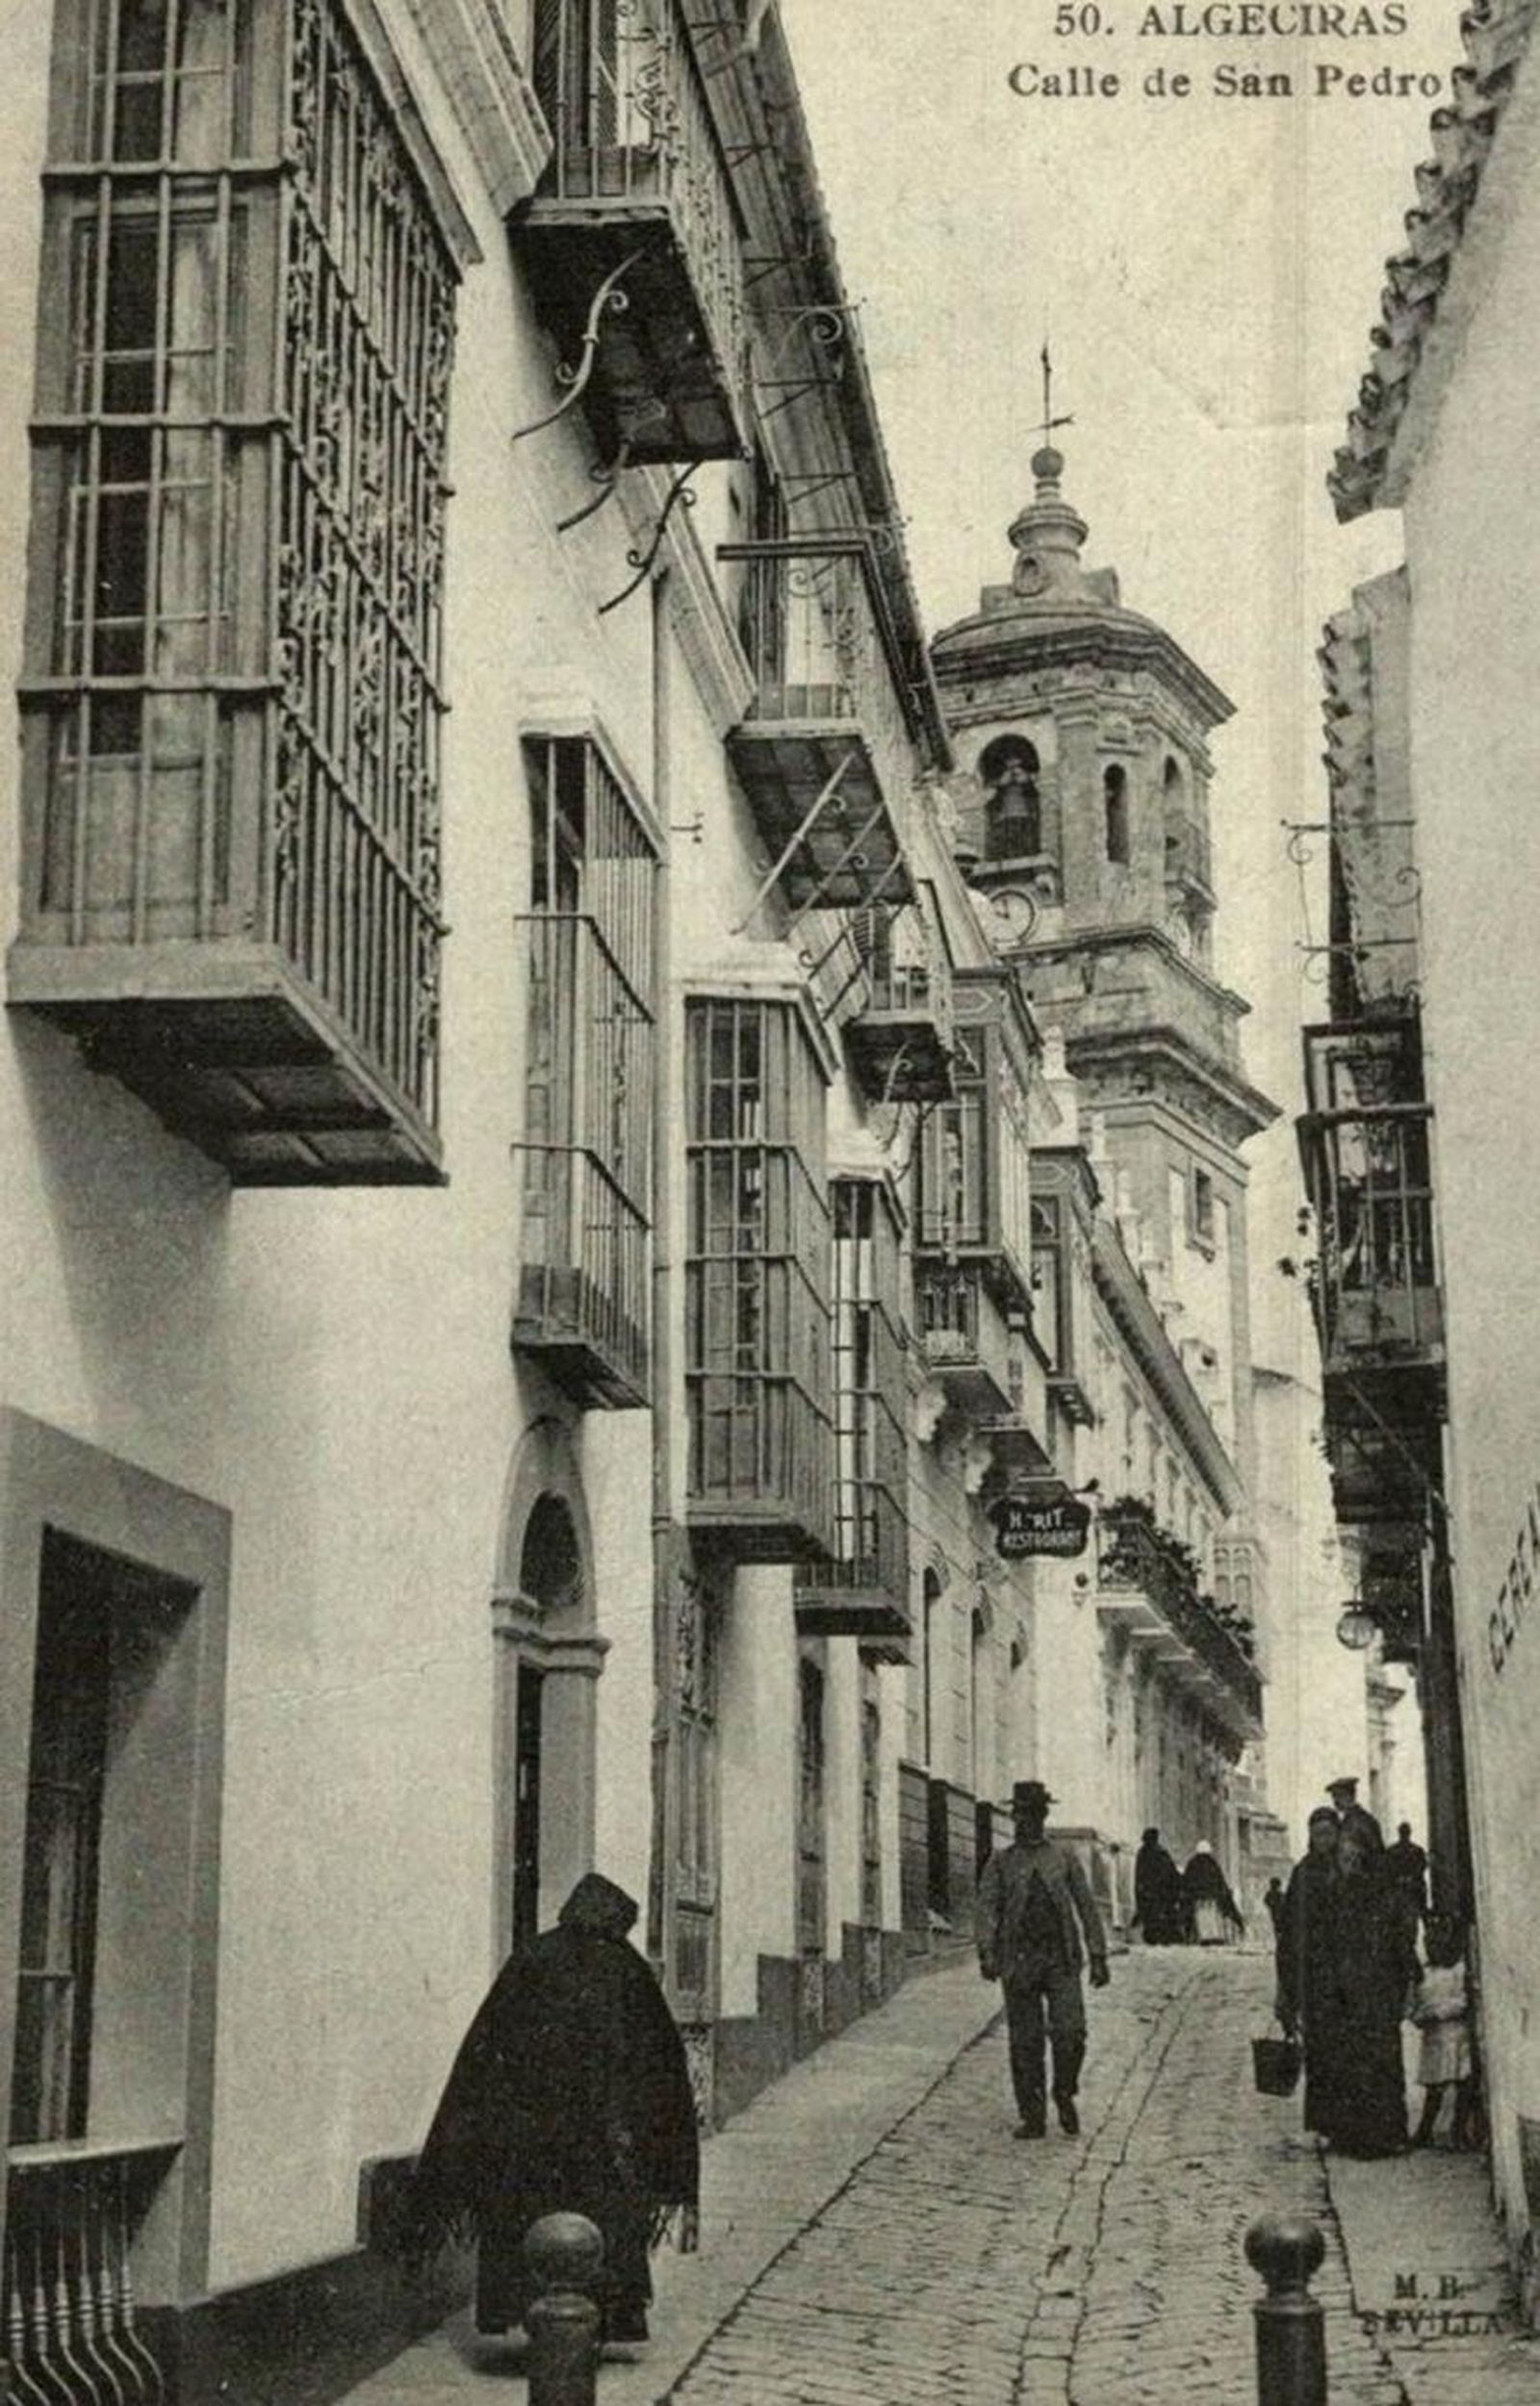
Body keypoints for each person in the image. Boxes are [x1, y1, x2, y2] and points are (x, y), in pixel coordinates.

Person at [400, 1872, 699, 2346]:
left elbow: (483, 2056)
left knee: (528, 2225)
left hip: (529, 2145)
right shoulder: (628, 1969)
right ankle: (596, 2331)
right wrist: (662, 2154)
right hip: (603, 2145)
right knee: (598, 2234)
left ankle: (529, 2326)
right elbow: (661, 2067)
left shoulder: (531, 1959)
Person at [976, 1779, 1110, 2139]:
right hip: (1018, 1962)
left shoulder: (1063, 1857)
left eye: (1033, 1814)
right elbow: (987, 1908)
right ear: (1013, 1816)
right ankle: (1032, 2115)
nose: (1026, 1821)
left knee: (1071, 2033)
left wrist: (1098, 1955)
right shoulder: (1001, 1862)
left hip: (1061, 1960)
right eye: (1020, 1814)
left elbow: (1086, 1906)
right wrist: (987, 1952)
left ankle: (1064, 2090)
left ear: (1044, 1816)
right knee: (1026, 2042)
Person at [1277, 1812, 1412, 2158]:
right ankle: (1333, 2129)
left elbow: (1394, 1939)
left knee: (1368, 2064)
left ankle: (1374, 2134)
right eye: (1316, 1834)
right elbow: (1292, 1934)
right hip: (1326, 1986)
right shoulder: (1308, 1876)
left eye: (1329, 1835)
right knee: (1330, 2060)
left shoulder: (1370, 1888)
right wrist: (1288, 1986)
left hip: (1365, 1993)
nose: (1324, 1842)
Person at [1409, 1917, 1476, 2149]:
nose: (1434, 1946)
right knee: (1434, 2089)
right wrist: (1419, 2017)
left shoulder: (1459, 1971)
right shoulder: (1423, 1975)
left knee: (1463, 2083)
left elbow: (1465, 2002)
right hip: (1434, 2039)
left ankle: (1459, 2131)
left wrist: (1438, 2012)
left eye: (1439, 1941)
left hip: (1457, 2035)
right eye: (1430, 1942)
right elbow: (1412, 2007)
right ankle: (1424, 2130)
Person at [1181, 1840, 1245, 1945]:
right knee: (1212, 1917)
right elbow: (1220, 1882)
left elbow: (1186, 1882)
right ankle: (1213, 1935)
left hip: (1197, 1900)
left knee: (1198, 1916)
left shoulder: (1192, 1863)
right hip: (1213, 1899)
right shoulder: (1212, 1864)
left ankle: (1197, 1936)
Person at [1132, 1827, 1185, 1945]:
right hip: (1162, 1894)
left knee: (1152, 1921)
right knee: (1163, 1920)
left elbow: (1138, 1876)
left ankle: (1155, 1938)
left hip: (1149, 1895)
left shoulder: (1142, 1854)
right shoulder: (1162, 1853)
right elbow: (1172, 1874)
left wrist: (1139, 1896)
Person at [1385, 1821, 1429, 1941]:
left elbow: (1387, 1871)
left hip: (1400, 1893)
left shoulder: (1391, 1851)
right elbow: (1422, 1868)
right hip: (1411, 1892)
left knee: (1401, 1923)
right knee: (1410, 1924)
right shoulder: (1417, 1850)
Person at [1325, 1773, 1384, 1852]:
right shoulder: (1344, 1820)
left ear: (1350, 1796)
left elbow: (1377, 1851)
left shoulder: (1364, 1821)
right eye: (1334, 1797)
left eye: (1339, 1796)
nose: (1335, 1801)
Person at [1263, 1875, 1285, 1939]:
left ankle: (1279, 1939)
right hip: (1277, 1913)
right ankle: (1279, 1939)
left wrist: (1272, 1905)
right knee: (1278, 1927)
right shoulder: (1278, 1894)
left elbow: (1266, 1901)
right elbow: (1266, 1901)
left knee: (1278, 1927)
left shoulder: (1279, 1894)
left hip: (1278, 1913)